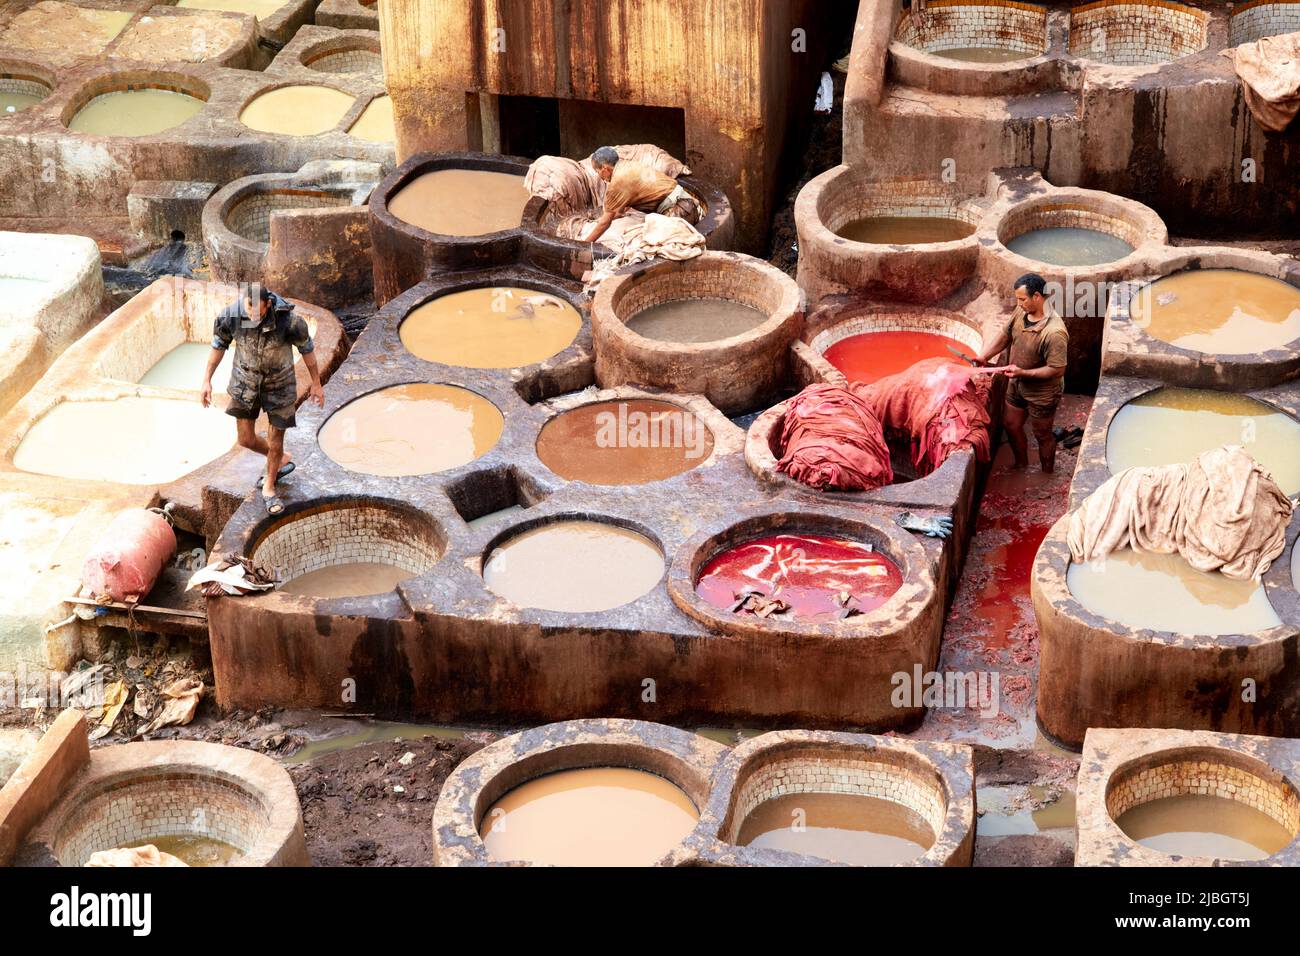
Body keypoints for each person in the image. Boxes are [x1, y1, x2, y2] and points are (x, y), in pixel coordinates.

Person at [201, 283, 324, 514]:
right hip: (245, 383)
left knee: (276, 440)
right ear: (244, 302)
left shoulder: (289, 322)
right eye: (249, 309)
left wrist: (316, 384)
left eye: (257, 311)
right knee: (245, 439)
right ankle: (280, 458)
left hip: (279, 385)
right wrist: (207, 380)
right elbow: (219, 346)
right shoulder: (231, 316)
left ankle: (269, 487)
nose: (252, 316)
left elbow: (307, 350)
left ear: (268, 305)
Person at [976, 272, 1069, 473]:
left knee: (1042, 435)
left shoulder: (1054, 332)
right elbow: (1005, 335)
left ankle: (1046, 473)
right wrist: (984, 356)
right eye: (1018, 299)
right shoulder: (1021, 312)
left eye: (1022, 299)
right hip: (1016, 383)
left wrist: (1022, 373)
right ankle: (1021, 465)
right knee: (1010, 424)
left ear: (1037, 296)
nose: (1019, 304)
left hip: (1042, 392)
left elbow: (1057, 369)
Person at [582, 146, 701, 244]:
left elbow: (605, 223)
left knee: (641, 245)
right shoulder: (629, 165)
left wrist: (584, 244)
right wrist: (602, 218)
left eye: (597, 171)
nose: (599, 176)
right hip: (690, 204)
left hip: (679, 213)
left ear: (605, 168)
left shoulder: (618, 181)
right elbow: (619, 211)